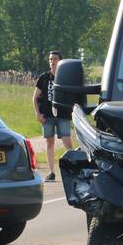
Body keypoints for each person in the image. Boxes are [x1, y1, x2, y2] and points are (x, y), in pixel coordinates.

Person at [33, 50, 73, 181]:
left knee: (67, 143)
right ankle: (51, 172)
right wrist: (38, 114)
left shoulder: (66, 78)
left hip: (63, 115)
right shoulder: (44, 77)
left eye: (55, 59)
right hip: (47, 116)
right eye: (50, 59)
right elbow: (35, 98)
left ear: (60, 61)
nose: (52, 61)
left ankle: (74, 169)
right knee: (49, 143)